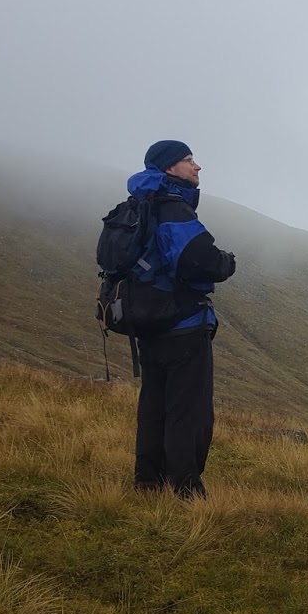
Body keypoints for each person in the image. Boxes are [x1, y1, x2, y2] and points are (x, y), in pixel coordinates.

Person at [127, 140, 236, 498]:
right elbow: (200, 260)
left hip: (147, 325)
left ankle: (148, 481)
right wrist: (226, 261)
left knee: (153, 405)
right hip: (182, 325)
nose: (197, 167)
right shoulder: (173, 210)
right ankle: (186, 489)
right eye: (189, 161)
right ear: (170, 168)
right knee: (187, 410)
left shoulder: (139, 206)